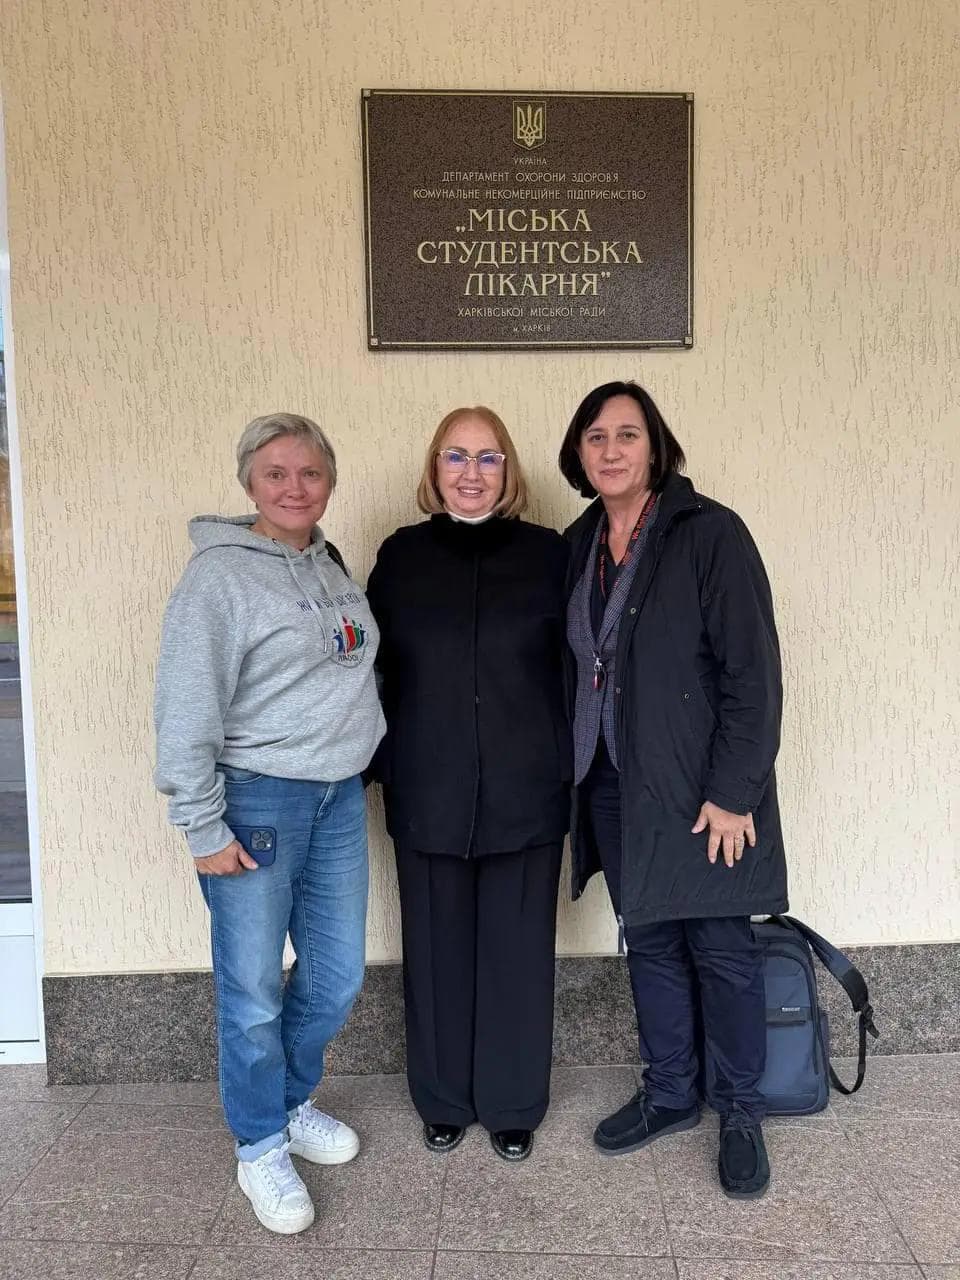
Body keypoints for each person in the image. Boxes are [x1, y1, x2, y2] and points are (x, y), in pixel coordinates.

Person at [154, 413, 385, 1234]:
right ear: (249, 481)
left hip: (336, 800)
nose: (294, 487)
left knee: (336, 976)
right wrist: (202, 825)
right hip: (257, 804)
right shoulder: (219, 578)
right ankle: (258, 1146)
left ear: (329, 481)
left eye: (311, 473)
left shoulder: (327, 562)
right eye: (276, 473)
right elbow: (186, 705)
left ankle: (288, 1103)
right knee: (252, 988)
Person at [560, 381, 787, 1200]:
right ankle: (669, 1093)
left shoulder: (709, 534)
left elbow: (752, 674)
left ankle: (738, 1109)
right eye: (595, 436)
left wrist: (735, 792)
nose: (612, 449)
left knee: (721, 950)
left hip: (702, 791)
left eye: (628, 434)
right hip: (614, 785)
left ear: (655, 446)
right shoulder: (578, 543)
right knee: (649, 941)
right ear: (578, 454)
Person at [367, 406, 570, 1163]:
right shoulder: (401, 556)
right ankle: (443, 1099)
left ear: (509, 470)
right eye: (456, 456)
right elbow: (371, 673)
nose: (472, 473)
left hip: (528, 788)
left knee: (518, 951)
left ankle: (514, 1103)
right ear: (434, 468)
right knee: (436, 949)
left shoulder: (550, 555)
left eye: (488, 458)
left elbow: (577, 668)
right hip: (427, 786)